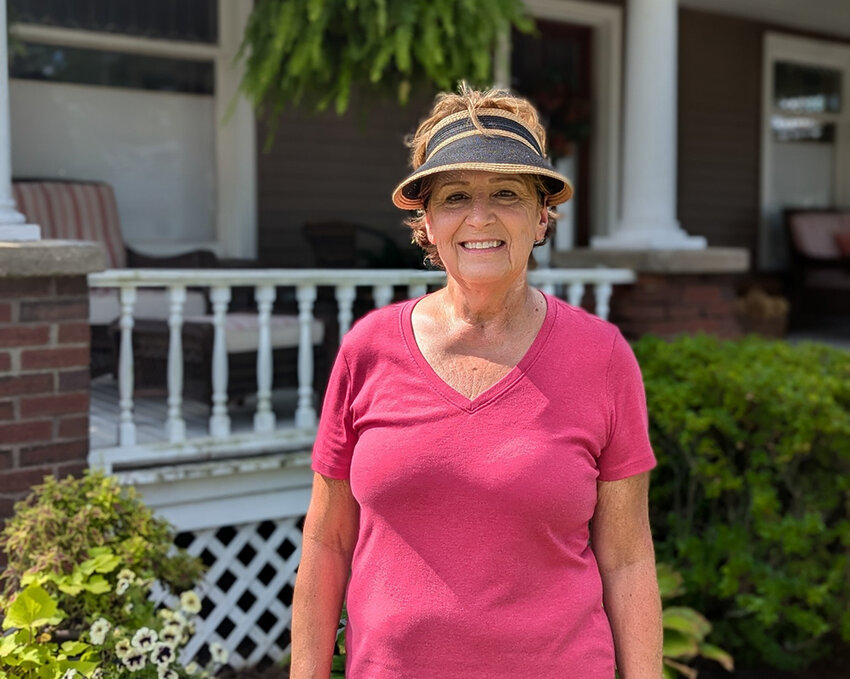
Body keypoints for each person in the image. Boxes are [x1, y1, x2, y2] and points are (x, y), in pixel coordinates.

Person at [290, 86, 662, 679]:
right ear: (427, 223)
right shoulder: (368, 350)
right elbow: (327, 543)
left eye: (507, 195)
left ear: (542, 217)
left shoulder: (602, 357)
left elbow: (627, 560)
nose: (480, 217)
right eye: (456, 196)